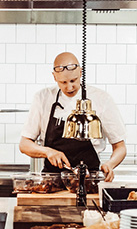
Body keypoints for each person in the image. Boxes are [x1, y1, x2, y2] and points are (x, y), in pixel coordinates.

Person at [19, 52, 127, 182]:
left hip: (88, 180)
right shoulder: (43, 98)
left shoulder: (102, 99)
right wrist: (48, 152)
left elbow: (120, 147)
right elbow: (24, 144)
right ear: (54, 77)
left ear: (81, 73)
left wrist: (110, 164)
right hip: (52, 182)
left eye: (73, 80)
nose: (69, 87)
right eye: (63, 82)